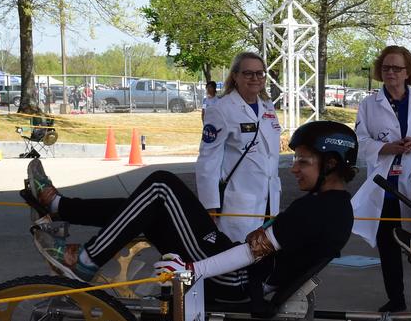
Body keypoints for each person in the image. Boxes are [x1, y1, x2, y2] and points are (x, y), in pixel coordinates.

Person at [22, 121, 357, 308]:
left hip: (235, 280)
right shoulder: (336, 207)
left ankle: (85, 259)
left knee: (161, 186)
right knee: (151, 203)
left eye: (304, 161)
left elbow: (249, 251)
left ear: (330, 164)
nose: (294, 168)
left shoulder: (318, 210)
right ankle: (59, 206)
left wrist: (192, 271)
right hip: (243, 273)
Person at [351, 44, 411, 312]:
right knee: (388, 245)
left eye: (396, 68)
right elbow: (360, 140)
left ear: (408, 73)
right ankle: (396, 297)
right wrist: (386, 148)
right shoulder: (369, 105)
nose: (390, 72)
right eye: (386, 67)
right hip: (384, 187)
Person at [196, 52, 282, 246]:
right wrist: (210, 206)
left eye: (260, 73)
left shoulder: (267, 107)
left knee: (265, 257)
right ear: (234, 76)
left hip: (270, 198)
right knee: (236, 255)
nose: (255, 79)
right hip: (239, 202)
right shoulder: (221, 109)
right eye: (248, 73)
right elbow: (207, 160)